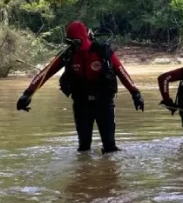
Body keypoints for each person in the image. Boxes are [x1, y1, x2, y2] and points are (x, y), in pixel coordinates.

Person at [16, 21, 144, 154]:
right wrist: (27, 94)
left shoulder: (102, 52)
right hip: (81, 104)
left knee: (110, 147)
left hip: (104, 103)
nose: (73, 46)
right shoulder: (68, 54)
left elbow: (122, 73)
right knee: (83, 148)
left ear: (83, 38)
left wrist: (136, 94)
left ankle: (109, 171)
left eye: (76, 42)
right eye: (70, 42)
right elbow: (45, 73)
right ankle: (83, 172)